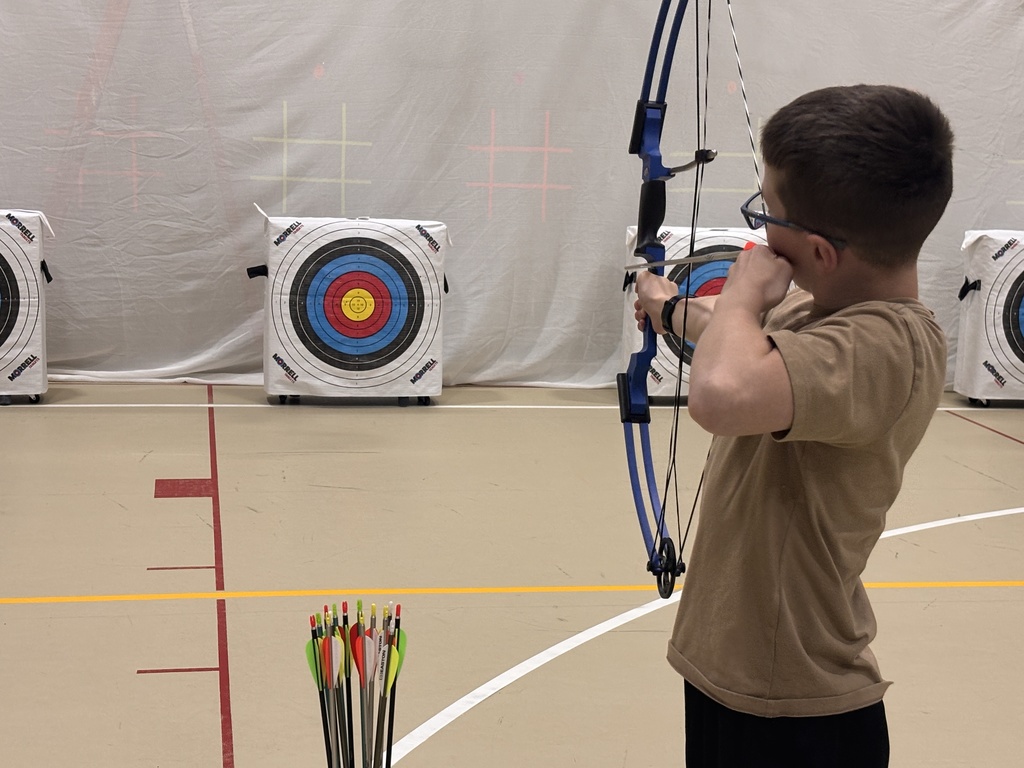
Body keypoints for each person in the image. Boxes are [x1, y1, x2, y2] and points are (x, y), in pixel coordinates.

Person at [633, 84, 954, 767]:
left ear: (819, 251)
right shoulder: (822, 309)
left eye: (767, 212)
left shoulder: (889, 347)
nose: (759, 231)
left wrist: (742, 290)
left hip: (799, 707)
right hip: (738, 676)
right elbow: (736, 333)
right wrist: (666, 306)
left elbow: (722, 392)